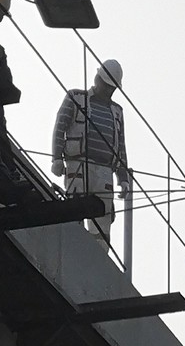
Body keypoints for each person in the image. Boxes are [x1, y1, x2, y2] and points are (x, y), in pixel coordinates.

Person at [51, 57, 128, 240]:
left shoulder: (117, 111)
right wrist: (56, 158)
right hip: (78, 163)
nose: (109, 90)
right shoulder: (76, 98)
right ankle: (72, 245)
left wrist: (123, 178)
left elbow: (121, 146)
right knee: (74, 209)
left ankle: (99, 257)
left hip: (105, 170)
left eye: (112, 87)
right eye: (107, 85)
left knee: (102, 218)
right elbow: (60, 127)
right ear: (97, 79)